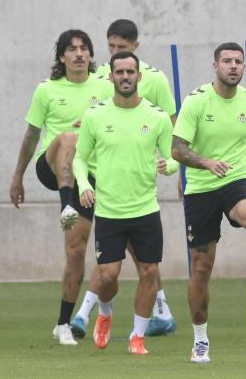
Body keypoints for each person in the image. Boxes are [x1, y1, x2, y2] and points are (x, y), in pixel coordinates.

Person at [171, 42, 246, 363]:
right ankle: (200, 340)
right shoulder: (196, 101)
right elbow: (177, 148)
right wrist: (206, 162)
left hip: (236, 181)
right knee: (202, 269)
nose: (233, 66)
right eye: (227, 61)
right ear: (215, 66)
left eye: (239, 62)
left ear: (244, 67)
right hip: (200, 190)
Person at [71, 19, 177, 338]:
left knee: (146, 267)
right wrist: (86, 182)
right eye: (111, 47)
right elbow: (96, 120)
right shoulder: (102, 78)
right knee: (110, 271)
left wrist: (173, 166)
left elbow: (172, 128)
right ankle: (101, 312)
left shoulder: (156, 81)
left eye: (122, 48)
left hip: (143, 191)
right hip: (108, 188)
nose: (116, 55)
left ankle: (142, 325)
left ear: (136, 49)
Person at [9, 29, 112, 345]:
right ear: (62, 57)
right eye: (72, 49)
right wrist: (17, 177)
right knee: (68, 137)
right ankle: (67, 203)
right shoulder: (47, 90)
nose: (79, 54)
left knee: (79, 251)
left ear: (92, 56)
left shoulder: (106, 88)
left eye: (84, 48)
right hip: (52, 166)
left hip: (94, 175)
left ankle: (65, 322)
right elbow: (30, 136)